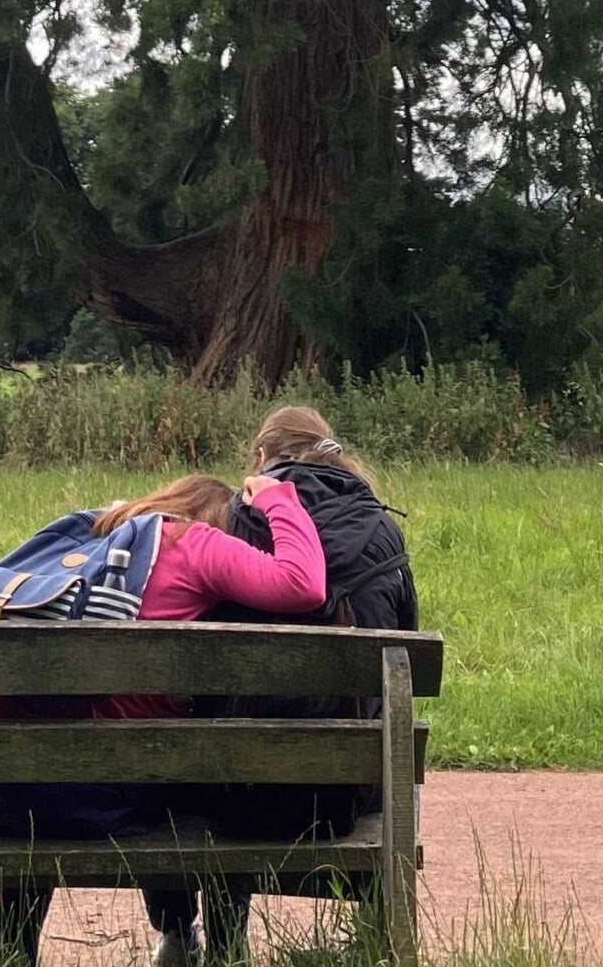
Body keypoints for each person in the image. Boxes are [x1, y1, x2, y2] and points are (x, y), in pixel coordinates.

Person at [0, 473, 327, 967]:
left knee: (49, 740)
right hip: (108, 798)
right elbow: (303, 583)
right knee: (178, 770)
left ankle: (15, 934)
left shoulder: (90, 531)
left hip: (0, 791)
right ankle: (179, 934)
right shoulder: (194, 542)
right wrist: (277, 497)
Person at [145, 406, 423, 964]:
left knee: (218, 739)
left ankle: (211, 943)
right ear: (336, 457)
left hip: (230, 792)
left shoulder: (230, 525)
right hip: (343, 794)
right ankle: (370, 939)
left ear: (259, 459)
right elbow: (405, 661)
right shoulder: (383, 532)